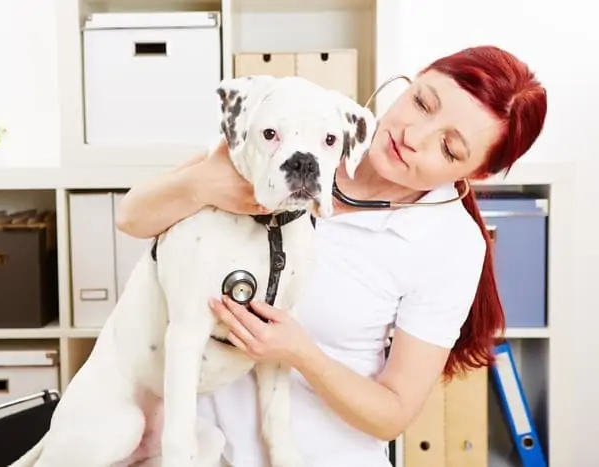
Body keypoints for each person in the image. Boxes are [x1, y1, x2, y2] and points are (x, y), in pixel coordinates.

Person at [115, 45, 548, 467]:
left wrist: (300, 352)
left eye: (449, 148)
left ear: (477, 173)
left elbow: (392, 415)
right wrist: (201, 185)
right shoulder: (303, 124)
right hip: (196, 447)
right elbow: (132, 218)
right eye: (421, 102)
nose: (412, 137)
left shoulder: (449, 243)